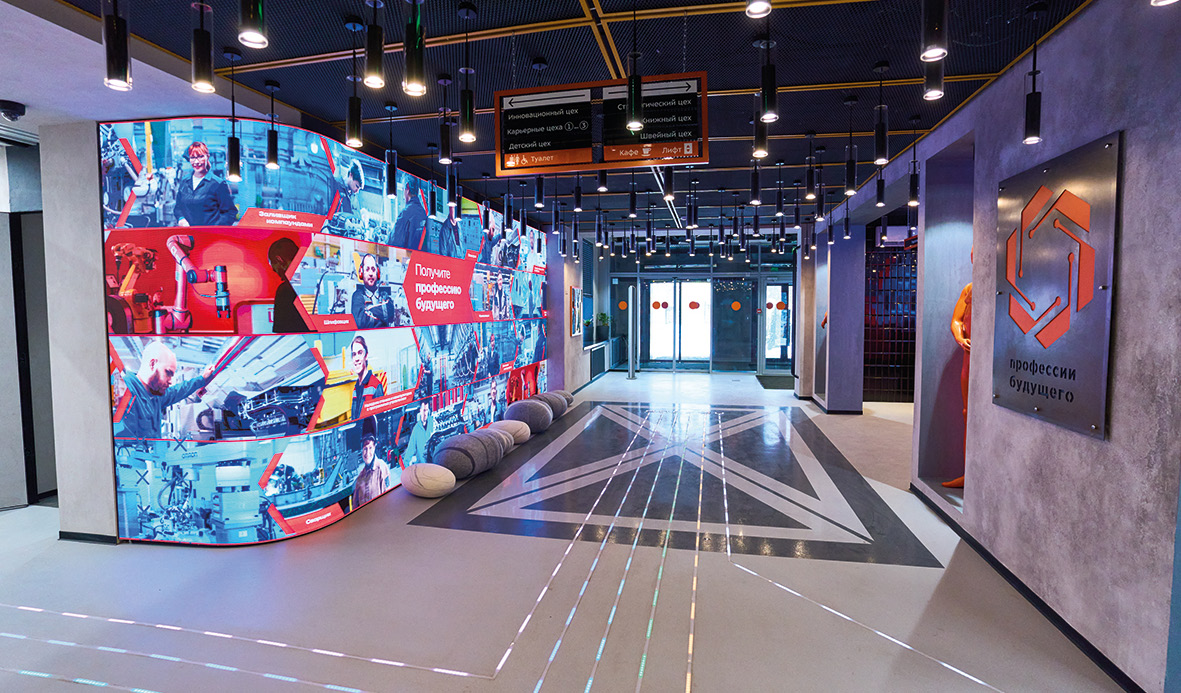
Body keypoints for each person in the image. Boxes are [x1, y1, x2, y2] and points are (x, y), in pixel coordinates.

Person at [114, 341, 214, 440]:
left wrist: (202, 379)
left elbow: (178, 390)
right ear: (152, 364)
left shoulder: (155, 396)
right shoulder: (126, 390)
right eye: (168, 373)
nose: (170, 381)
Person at [943, 281, 973, 489]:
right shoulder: (970, 289)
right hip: (969, 359)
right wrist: (960, 338)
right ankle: (967, 473)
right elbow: (956, 320)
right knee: (967, 414)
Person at [174, 141, 238, 226]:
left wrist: (214, 228)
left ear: (207, 157)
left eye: (200, 157)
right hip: (188, 233)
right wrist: (181, 219)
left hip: (209, 233)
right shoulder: (184, 181)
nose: (196, 162)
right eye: (193, 157)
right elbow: (178, 208)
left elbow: (230, 212)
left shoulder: (217, 184)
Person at [268, 237, 311, 333]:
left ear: (279, 260)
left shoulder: (285, 291)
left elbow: (282, 332)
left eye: (274, 268)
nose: (275, 272)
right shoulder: (317, 281)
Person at [351, 417, 390, 507]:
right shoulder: (359, 479)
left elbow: (387, 500)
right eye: (365, 449)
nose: (367, 453)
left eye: (370, 448)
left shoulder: (381, 468)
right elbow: (355, 507)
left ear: (375, 447)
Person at [350, 253, 394, 329]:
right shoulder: (357, 296)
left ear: (377, 273)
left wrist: (369, 310)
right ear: (361, 273)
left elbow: (391, 314)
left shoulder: (384, 295)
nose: (370, 273)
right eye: (367, 269)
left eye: (373, 269)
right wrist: (382, 319)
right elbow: (362, 322)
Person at [350, 335, 385, 420]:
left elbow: (380, 420)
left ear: (366, 356)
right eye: (354, 354)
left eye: (360, 353)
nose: (356, 358)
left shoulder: (376, 386)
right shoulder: (355, 388)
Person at [389, 178, 427, 250]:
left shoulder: (405, 214)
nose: (403, 197)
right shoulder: (424, 213)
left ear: (407, 187)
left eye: (403, 189)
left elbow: (393, 244)